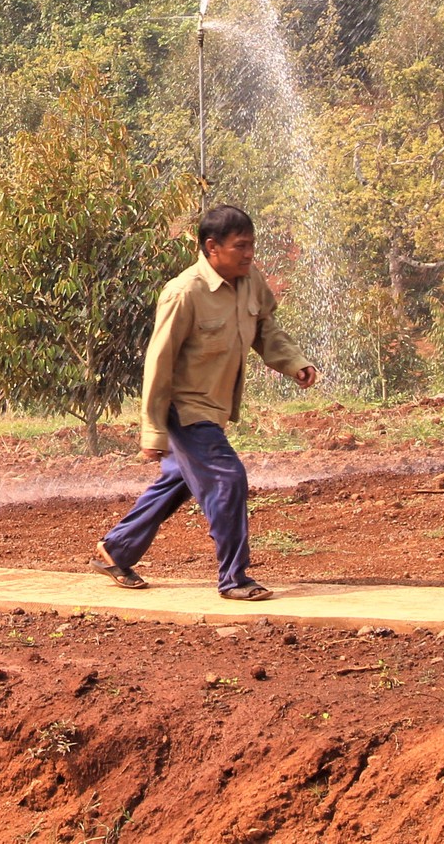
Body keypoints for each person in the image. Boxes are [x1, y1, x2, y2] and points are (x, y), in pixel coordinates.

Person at [90, 203, 314, 601]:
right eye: (240, 246)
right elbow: (158, 365)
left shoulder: (249, 281)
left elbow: (265, 329)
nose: (249, 254)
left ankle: (117, 549)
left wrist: (294, 363)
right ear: (212, 247)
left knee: (178, 482)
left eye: (252, 245)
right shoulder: (183, 293)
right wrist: (154, 430)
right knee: (228, 479)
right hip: (185, 407)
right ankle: (235, 579)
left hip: (214, 406)